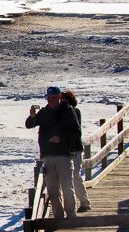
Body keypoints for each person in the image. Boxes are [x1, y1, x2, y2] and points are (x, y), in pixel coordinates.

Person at [24, 85, 81, 218]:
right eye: (49, 98)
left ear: (60, 97)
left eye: (54, 98)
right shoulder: (45, 111)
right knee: (52, 189)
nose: (51, 100)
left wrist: (60, 138)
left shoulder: (67, 111)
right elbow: (29, 124)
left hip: (64, 155)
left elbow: (76, 132)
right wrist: (32, 117)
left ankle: (71, 214)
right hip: (48, 156)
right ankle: (58, 215)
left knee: (67, 186)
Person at [61, 89, 91, 212]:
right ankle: (69, 204)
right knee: (66, 177)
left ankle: (84, 202)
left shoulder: (75, 112)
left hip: (75, 150)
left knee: (75, 176)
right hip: (64, 150)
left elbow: (74, 130)